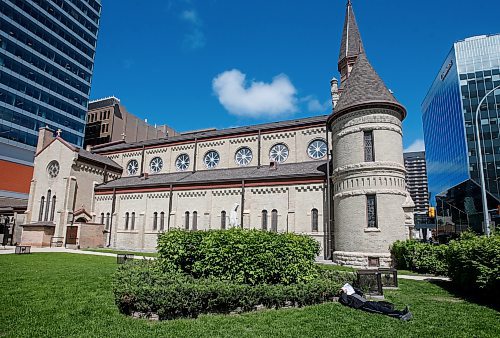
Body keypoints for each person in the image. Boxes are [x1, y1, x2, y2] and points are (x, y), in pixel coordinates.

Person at [338, 283, 413, 321]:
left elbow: (360, 293)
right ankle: (400, 315)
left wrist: (353, 289)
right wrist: (344, 292)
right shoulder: (345, 297)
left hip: (367, 302)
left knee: (381, 305)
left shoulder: (352, 294)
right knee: (380, 310)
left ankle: (401, 312)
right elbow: (345, 302)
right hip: (363, 305)